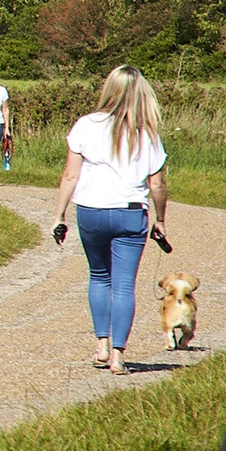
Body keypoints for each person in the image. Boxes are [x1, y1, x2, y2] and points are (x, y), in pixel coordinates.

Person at [50, 65, 169, 375]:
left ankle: (101, 345)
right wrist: (161, 219)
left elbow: (70, 175)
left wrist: (59, 215)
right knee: (124, 285)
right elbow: (156, 184)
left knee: (99, 276)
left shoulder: (86, 125)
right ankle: (118, 355)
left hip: (90, 211)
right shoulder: (147, 133)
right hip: (130, 213)